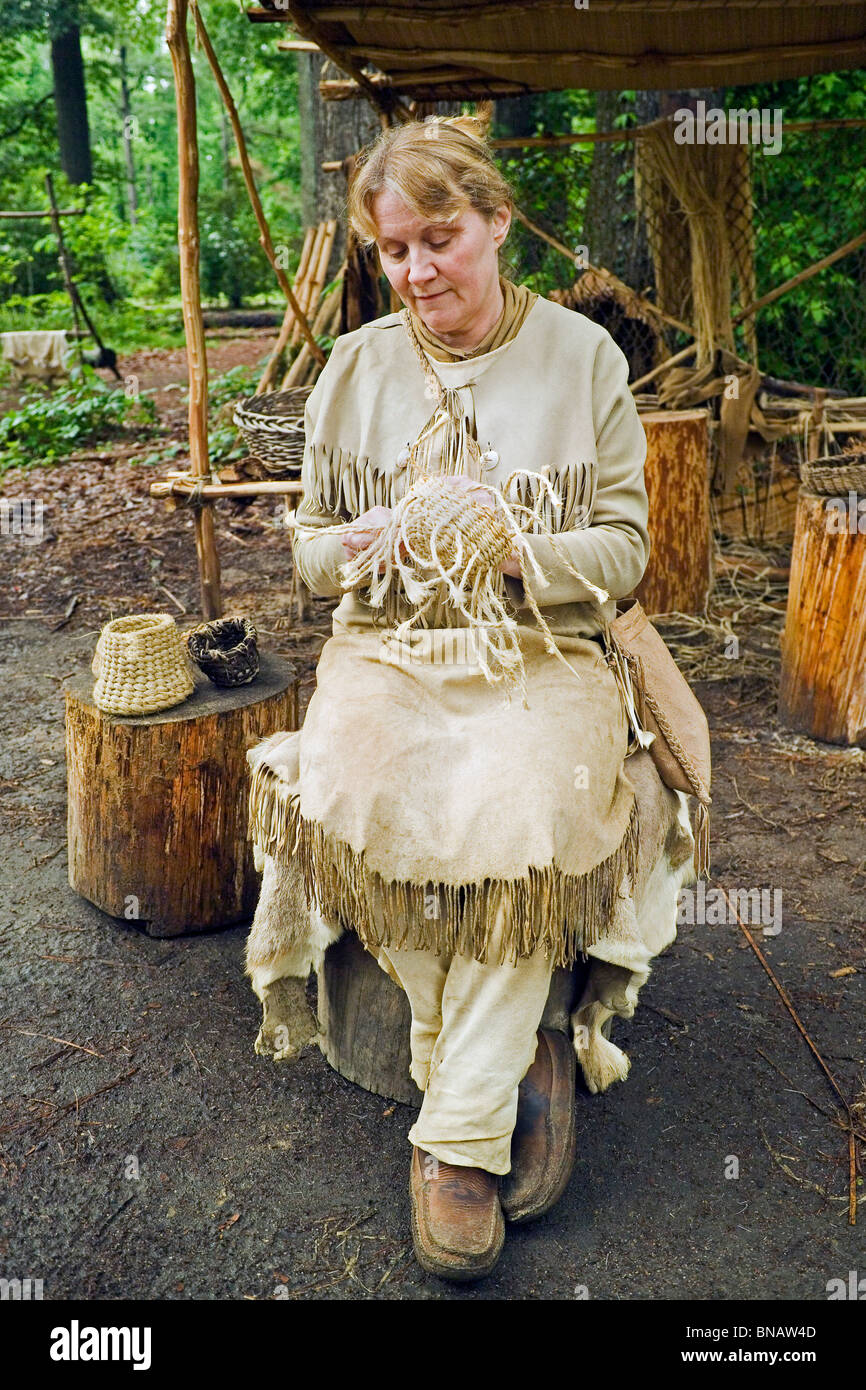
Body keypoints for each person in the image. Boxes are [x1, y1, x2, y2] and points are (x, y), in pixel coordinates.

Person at [268, 110, 651, 1281]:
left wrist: (519, 549)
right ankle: (503, 1052)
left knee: (523, 811)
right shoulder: (355, 367)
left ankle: (457, 1136)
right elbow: (308, 555)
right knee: (349, 794)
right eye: (394, 250)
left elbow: (628, 549)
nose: (418, 269)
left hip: (539, 647)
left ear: (495, 223)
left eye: (440, 236)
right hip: (389, 649)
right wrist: (363, 542)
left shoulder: (580, 357)